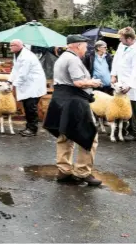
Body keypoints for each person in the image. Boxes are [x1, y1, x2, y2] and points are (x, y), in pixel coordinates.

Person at [43, 34, 103, 186]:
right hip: (74, 101)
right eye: (85, 46)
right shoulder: (73, 59)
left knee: (65, 134)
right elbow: (78, 82)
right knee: (89, 135)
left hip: (61, 99)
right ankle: (83, 172)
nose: (87, 48)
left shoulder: (63, 58)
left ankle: (64, 171)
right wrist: (94, 83)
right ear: (77, 46)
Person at [111, 27, 136, 142]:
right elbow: (116, 60)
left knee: (133, 109)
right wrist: (113, 74)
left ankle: (134, 133)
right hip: (121, 82)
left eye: (121, 38)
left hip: (133, 85)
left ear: (129, 38)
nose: (120, 40)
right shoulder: (122, 46)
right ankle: (121, 130)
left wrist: (129, 85)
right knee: (120, 106)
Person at [9, 39, 47, 137]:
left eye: (12, 45)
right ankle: (28, 127)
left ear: (18, 46)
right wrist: (9, 80)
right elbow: (15, 69)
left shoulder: (27, 57)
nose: (10, 47)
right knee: (27, 106)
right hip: (28, 84)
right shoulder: (17, 54)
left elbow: (23, 74)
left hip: (33, 84)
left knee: (31, 107)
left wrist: (14, 84)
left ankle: (32, 129)